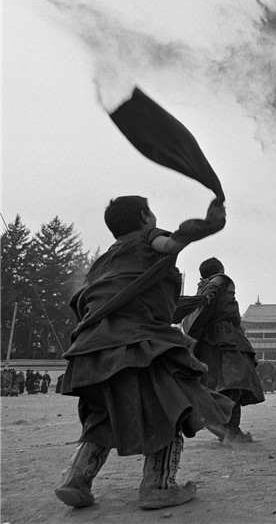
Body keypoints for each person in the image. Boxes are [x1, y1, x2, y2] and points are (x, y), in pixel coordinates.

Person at [56, 196, 231, 510]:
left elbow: (95, 299)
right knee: (171, 408)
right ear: (144, 216)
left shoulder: (104, 261)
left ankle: (76, 479)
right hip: (137, 342)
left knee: (103, 415)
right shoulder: (148, 238)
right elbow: (171, 244)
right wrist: (209, 224)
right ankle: (158, 486)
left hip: (92, 347)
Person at [178, 257, 265, 445]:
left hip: (210, 340)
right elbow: (216, 285)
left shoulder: (201, 288)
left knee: (222, 384)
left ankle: (227, 427)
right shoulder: (219, 280)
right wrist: (210, 293)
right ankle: (229, 429)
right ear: (220, 270)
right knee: (234, 382)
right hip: (226, 338)